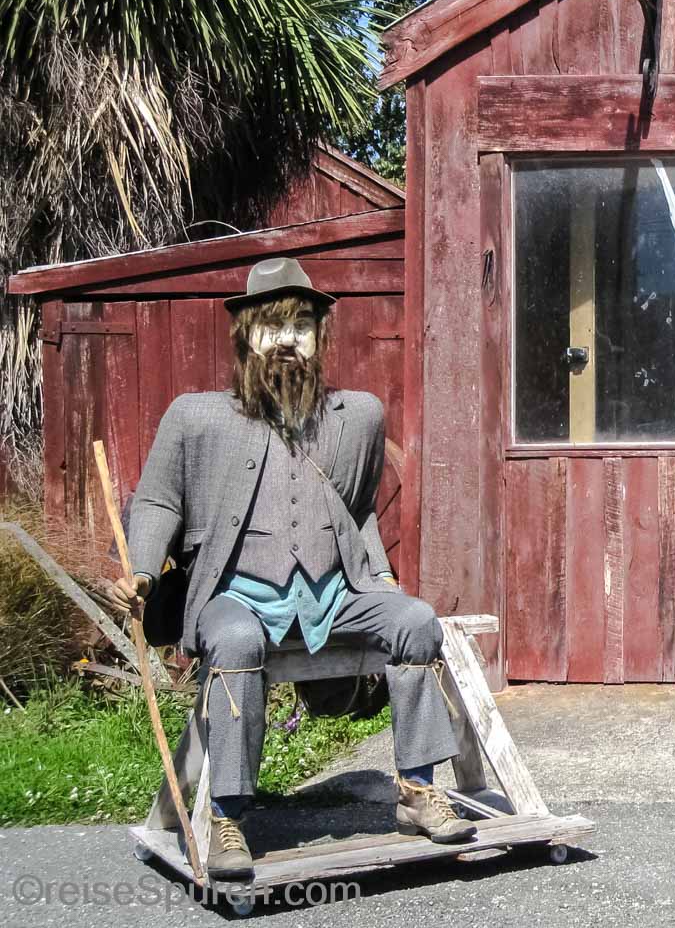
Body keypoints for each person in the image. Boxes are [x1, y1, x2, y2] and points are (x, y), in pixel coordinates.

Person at [101, 257, 474, 880]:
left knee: (417, 620)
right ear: (244, 335)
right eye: (270, 326)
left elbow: (356, 515)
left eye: (301, 326)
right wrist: (141, 571)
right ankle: (227, 816)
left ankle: (415, 788)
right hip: (236, 595)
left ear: (320, 336)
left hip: (334, 592)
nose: (285, 340)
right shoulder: (197, 418)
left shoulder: (357, 418)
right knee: (238, 639)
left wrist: (381, 582)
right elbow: (159, 499)